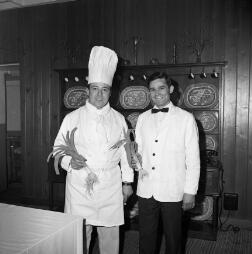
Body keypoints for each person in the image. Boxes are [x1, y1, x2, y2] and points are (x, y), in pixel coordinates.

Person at [54, 46, 134, 254]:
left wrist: (127, 183)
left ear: (110, 91)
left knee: (110, 238)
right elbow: (58, 150)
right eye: (95, 88)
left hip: (110, 187)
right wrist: (69, 162)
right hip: (81, 186)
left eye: (104, 89)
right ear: (88, 89)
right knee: (80, 238)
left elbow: (126, 155)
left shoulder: (119, 120)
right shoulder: (72, 118)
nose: (100, 94)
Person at [135, 72, 200, 254]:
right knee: (146, 237)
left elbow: (193, 159)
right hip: (146, 189)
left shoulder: (186, 118)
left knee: (174, 239)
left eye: (161, 88)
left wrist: (190, 192)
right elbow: (138, 152)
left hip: (173, 190)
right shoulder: (142, 118)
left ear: (170, 89)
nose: (157, 93)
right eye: (152, 89)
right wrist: (134, 160)